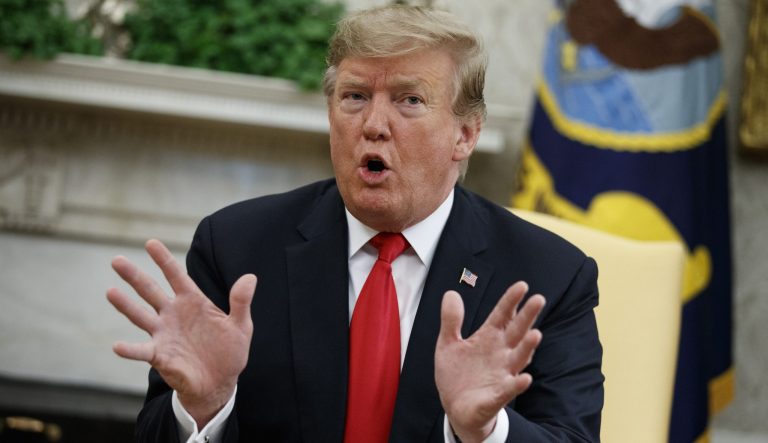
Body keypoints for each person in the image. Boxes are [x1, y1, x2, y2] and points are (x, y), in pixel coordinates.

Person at [107, 5, 603, 443]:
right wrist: (204, 407)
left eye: (410, 100)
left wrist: (485, 431)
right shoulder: (236, 247)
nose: (373, 124)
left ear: (466, 135)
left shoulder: (548, 275)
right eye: (355, 96)